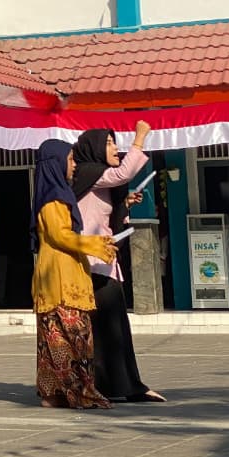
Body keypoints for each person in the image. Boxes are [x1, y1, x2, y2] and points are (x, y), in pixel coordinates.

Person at [72, 123, 164, 402]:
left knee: (115, 330)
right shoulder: (89, 172)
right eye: (110, 144)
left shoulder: (96, 182)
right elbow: (124, 172)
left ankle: (126, 385)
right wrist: (139, 137)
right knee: (105, 332)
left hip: (104, 263)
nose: (116, 149)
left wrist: (126, 205)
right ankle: (113, 386)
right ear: (96, 148)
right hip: (92, 263)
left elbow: (104, 217)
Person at [32, 138, 117, 409]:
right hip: (60, 279)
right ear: (56, 164)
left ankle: (54, 393)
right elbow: (60, 235)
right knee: (70, 339)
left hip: (61, 275)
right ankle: (77, 391)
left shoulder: (57, 195)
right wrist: (95, 244)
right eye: (69, 160)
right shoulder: (53, 199)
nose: (74, 165)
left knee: (55, 341)